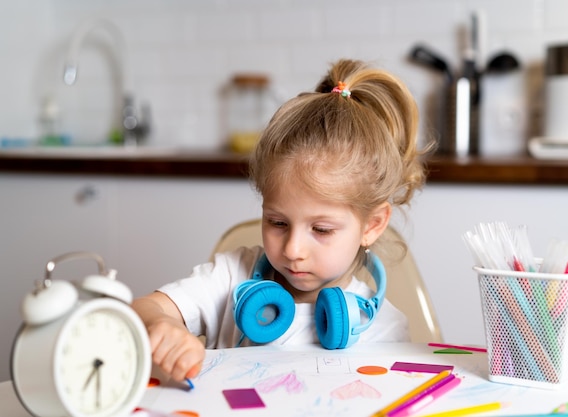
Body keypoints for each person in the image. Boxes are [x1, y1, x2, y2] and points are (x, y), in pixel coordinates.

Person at [131, 59, 429, 383]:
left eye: (321, 229)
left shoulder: (385, 330)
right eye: (278, 222)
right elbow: (143, 309)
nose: (293, 249)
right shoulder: (230, 277)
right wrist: (163, 326)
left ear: (371, 226)